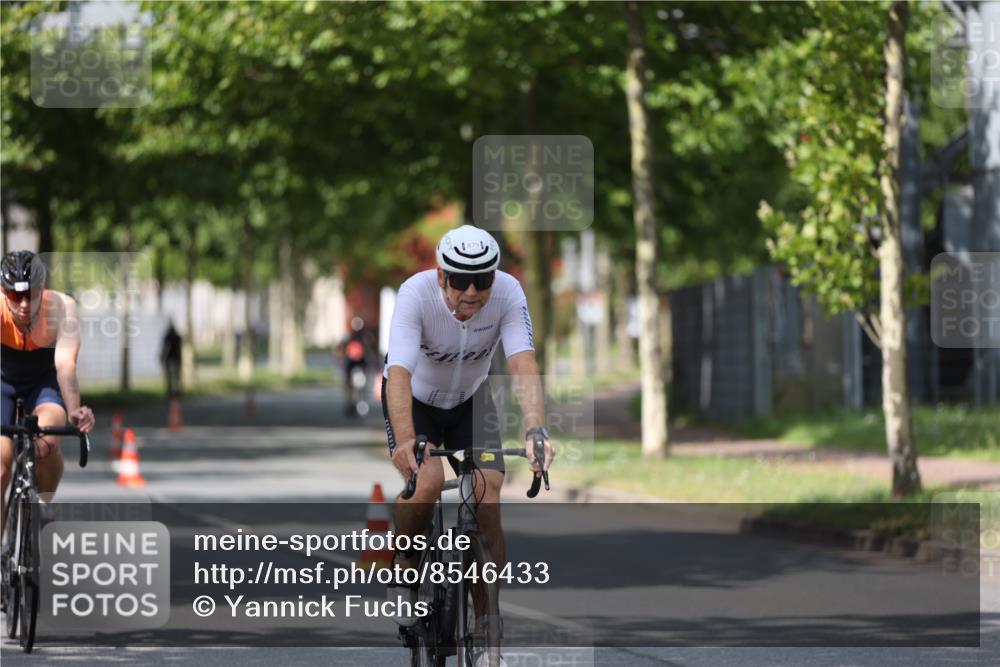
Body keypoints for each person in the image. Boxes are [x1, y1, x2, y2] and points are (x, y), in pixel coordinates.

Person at [381, 225, 555, 656]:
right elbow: (398, 371)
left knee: (487, 490)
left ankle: (486, 617)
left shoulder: (509, 293)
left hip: (470, 401)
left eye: (483, 279)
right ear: (442, 276)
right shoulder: (414, 295)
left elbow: (523, 362)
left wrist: (536, 430)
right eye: (460, 280)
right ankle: (404, 565)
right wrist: (405, 441)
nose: (473, 291)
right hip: (415, 401)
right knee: (425, 482)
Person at [1, 250, 95, 515]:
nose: (23, 304)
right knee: (0, 467)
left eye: (30, 294)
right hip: (2, 382)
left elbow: (65, 365)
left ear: (43, 289)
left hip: (43, 381)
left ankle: (42, 504)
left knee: (47, 439)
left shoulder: (62, 307)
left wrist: (75, 409)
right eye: (14, 295)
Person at [160, 320, 182, 398]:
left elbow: (164, 348)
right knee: (175, 377)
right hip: (176, 358)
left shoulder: (167, 336)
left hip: (169, 358)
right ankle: (175, 391)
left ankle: (170, 392)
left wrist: (162, 357)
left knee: (170, 377)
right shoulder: (177, 337)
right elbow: (180, 349)